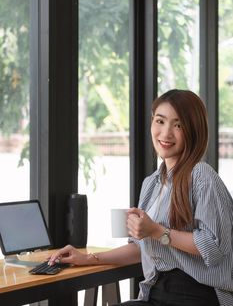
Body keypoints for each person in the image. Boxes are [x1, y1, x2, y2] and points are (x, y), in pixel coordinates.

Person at [49, 89, 233, 306]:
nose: (166, 134)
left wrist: (156, 231)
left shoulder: (201, 175)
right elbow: (138, 247)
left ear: (194, 130)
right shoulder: (151, 183)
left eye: (178, 125)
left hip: (195, 295)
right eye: (160, 121)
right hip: (155, 292)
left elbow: (214, 247)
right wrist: (86, 259)